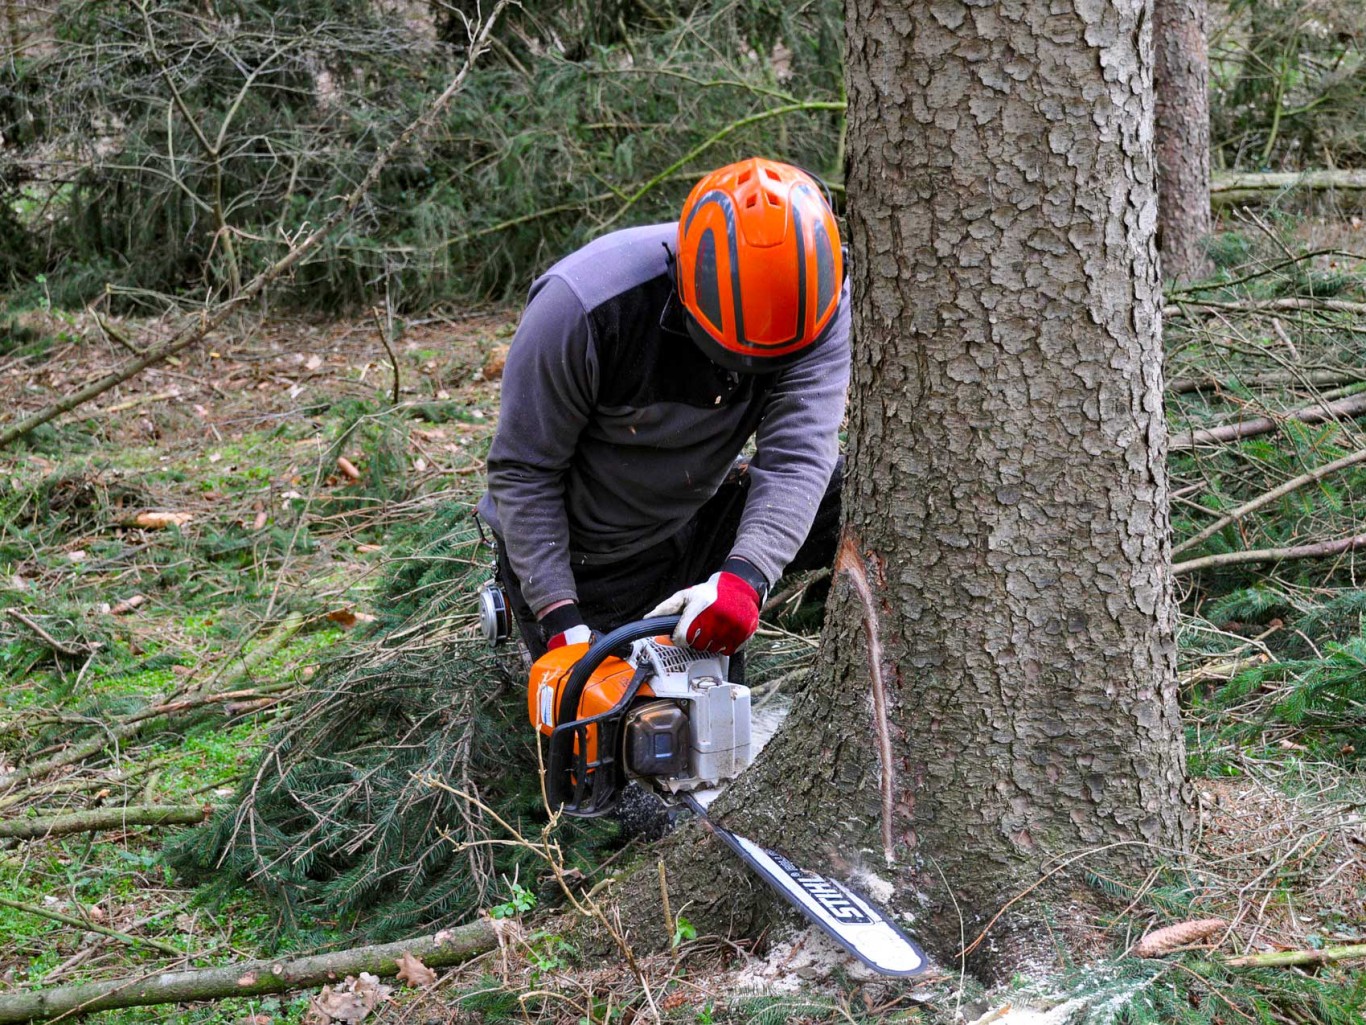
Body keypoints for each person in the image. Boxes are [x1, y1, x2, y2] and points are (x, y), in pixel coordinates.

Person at [477, 157, 850, 662]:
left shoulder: (819, 298)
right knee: (635, 725)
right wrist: (560, 618)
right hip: (591, 554)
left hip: (699, 507)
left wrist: (746, 576)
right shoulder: (583, 308)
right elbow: (525, 470)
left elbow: (798, 454)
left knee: (862, 494)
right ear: (684, 282)